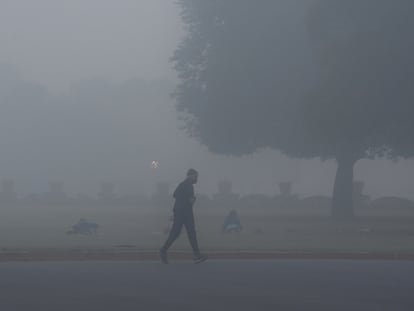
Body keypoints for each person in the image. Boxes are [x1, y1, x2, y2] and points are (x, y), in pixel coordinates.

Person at [159, 168, 208, 264]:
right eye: (195, 176)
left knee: (176, 233)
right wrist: (193, 199)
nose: (196, 178)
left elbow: (175, 195)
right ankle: (196, 255)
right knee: (191, 233)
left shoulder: (182, 184)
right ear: (190, 175)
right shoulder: (189, 185)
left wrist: (181, 202)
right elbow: (190, 200)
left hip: (179, 211)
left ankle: (163, 251)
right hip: (185, 212)